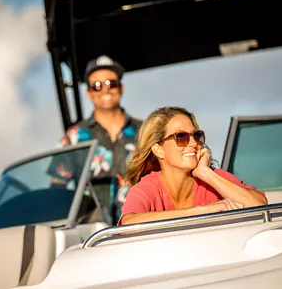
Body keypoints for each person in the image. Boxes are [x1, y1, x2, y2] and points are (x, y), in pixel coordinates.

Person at [118, 106, 267, 226]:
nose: (193, 143)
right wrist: (200, 211)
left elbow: (260, 206)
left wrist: (206, 174)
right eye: (181, 137)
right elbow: (129, 223)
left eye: (196, 136)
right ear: (158, 150)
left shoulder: (212, 178)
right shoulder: (148, 187)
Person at [47, 55, 143, 225]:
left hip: (140, 227)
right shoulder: (73, 138)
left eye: (111, 83)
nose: (105, 90)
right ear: (89, 93)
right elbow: (56, 191)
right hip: (93, 236)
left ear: (121, 88)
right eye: (97, 86)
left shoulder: (145, 131)